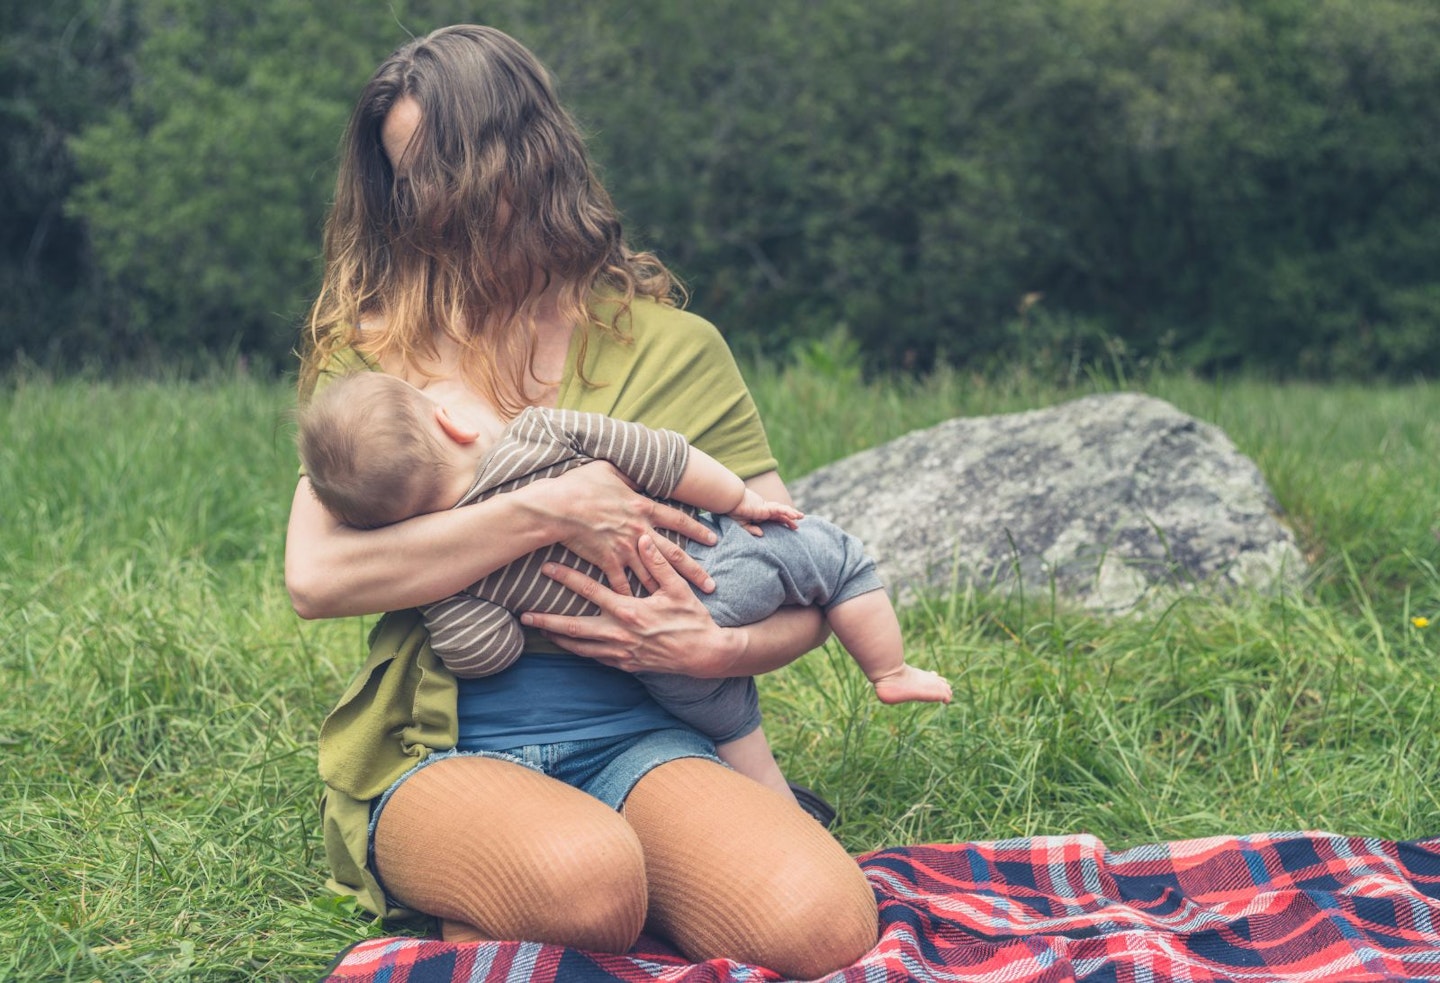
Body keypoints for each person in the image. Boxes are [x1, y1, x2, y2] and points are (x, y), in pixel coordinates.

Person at [285, 24, 880, 979]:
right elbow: (317, 577)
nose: (425, 203)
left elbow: (804, 572)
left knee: (824, 924)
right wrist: (549, 510)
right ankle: (512, 876)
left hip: (644, 728)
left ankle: (537, 910)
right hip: (442, 741)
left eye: (444, 167)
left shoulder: (676, 350)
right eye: (406, 179)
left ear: (528, 153)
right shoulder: (381, 356)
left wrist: (719, 650)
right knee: (592, 887)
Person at [296, 371, 953, 797]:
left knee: (731, 726)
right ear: (456, 423)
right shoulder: (537, 431)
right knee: (836, 562)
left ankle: (775, 803)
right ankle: (888, 669)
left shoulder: (458, 575)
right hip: (718, 568)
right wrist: (741, 500)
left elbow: (485, 653)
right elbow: (660, 456)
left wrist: (437, 579)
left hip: (654, 662)